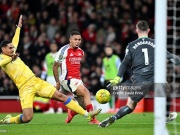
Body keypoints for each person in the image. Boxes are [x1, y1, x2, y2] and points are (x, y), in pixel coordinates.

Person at [0, 15, 101, 124]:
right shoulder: (3, 58)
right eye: (10, 48)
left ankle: (87, 115)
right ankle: (9, 120)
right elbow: (2, 63)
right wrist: (11, 59)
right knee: (27, 117)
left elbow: (15, 40)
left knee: (61, 96)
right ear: (3, 49)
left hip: (35, 81)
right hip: (24, 88)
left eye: (12, 48)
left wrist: (19, 27)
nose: (12, 49)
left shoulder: (12, 52)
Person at [99, 20, 180, 128]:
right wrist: (176, 60)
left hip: (139, 80)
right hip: (154, 77)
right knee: (167, 89)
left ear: (137, 30)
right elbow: (172, 58)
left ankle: (115, 117)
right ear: (149, 30)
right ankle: (165, 116)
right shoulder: (156, 43)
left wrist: (117, 78)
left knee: (130, 106)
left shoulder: (131, 46)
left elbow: (124, 63)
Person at [53, 31, 100, 124]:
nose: (77, 41)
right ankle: (93, 120)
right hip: (67, 79)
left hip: (77, 79)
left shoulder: (81, 52)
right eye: (75, 39)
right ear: (70, 40)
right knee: (86, 92)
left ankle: (72, 112)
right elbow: (55, 66)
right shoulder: (64, 50)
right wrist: (58, 82)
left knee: (83, 104)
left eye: (79, 40)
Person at [100, 45, 121, 110]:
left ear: (112, 50)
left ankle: (115, 107)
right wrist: (102, 77)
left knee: (115, 93)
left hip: (114, 79)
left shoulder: (116, 58)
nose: (108, 51)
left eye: (109, 50)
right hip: (107, 79)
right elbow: (103, 70)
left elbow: (120, 68)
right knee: (108, 94)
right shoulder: (104, 60)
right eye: (107, 50)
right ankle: (111, 108)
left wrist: (120, 76)